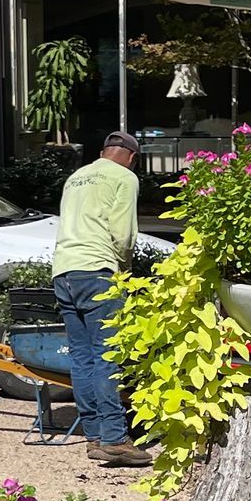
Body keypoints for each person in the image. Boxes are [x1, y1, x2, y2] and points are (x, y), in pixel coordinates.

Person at [51, 130, 153, 468]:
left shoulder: (76, 177)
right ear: (131, 157)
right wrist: (124, 271)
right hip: (97, 271)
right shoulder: (124, 177)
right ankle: (115, 439)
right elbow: (122, 234)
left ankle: (94, 437)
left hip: (63, 272)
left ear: (102, 151)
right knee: (107, 356)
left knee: (81, 358)